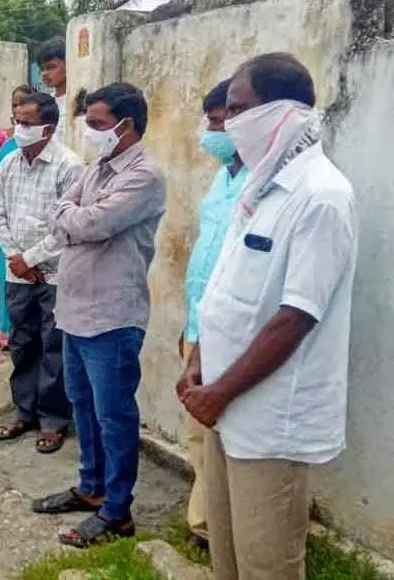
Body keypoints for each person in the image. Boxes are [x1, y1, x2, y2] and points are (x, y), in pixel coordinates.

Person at [179, 53, 357, 580]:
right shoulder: (258, 188)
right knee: (227, 556)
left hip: (269, 420)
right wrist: (199, 358)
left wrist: (219, 390)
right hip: (225, 405)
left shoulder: (322, 197)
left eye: (238, 109)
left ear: (284, 111)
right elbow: (225, 287)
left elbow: (295, 318)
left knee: (267, 564)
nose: (229, 123)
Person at [33, 83, 166, 548]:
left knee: (114, 415)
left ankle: (117, 512)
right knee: (83, 406)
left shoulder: (144, 175)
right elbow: (62, 211)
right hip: (74, 308)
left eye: (97, 124)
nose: (89, 132)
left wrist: (74, 217)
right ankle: (90, 487)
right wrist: (74, 215)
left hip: (112, 314)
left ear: (126, 125)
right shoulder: (97, 170)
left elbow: (93, 223)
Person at [0, 91, 81, 455]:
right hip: (18, 274)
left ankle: (54, 420)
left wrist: (32, 259)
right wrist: (16, 258)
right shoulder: (9, 164)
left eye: (26, 123)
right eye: (16, 121)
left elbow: (67, 227)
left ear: (48, 128)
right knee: (23, 344)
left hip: (54, 275)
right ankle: (24, 412)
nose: (18, 128)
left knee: (54, 349)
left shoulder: (68, 166)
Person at [179, 79, 249, 553]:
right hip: (197, 326)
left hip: (233, 334)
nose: (211, 129)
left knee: (230, 440)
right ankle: (206, 525)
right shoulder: (223, 175)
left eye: (220, 120)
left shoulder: (261, 180)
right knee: (199, 437)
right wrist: (186, 328)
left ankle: (225, 528)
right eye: (210, 119)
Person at [0, 84, 36, 351]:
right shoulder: (2, 138)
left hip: (33, 215)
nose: (18, 107)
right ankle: (7, 332)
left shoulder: (43, 139)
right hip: (5, 215)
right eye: (15, 103)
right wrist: (7, 184)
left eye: (24, 102)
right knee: (7, 273)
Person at [36, 37, 67, 140]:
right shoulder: (45, 103)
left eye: (51, 67)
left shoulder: (80, 103)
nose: (44, 73)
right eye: (42, 69)